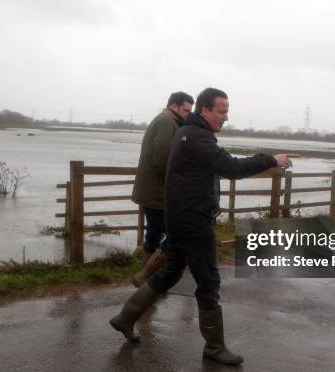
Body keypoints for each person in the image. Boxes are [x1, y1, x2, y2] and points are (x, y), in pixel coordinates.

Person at [110, 88, 295, 366]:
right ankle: (214, 347)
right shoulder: (197, 136)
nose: (226, 116)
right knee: (209, 281)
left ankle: (124, 318)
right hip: (193, 221)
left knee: (170, 272)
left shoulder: (188, 132)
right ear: (205, 110)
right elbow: (230, 167)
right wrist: (270, 159)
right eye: (221, 111)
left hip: (180, 218)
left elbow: (218, 163)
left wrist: (262, 158)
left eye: (227, 111)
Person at [130, 91, 194, 287]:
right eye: (185, 110)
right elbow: (163, 158)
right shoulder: (167, 122)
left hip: (154, 190)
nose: (188, 114)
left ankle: (147, 276)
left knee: (156, 231)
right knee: (167, 232)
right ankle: (147, 277)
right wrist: (176, 185)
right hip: (158, 192)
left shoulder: (167, 120)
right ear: (174, 106)